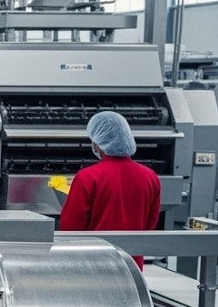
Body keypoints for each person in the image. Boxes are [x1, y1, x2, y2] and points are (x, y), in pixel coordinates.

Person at [55, 110, 162, 270]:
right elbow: (149, 224)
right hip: (132, 266)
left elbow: (71, 228)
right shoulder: (150, 177)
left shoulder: (87, 177)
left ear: (98, 143)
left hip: (94, 265)